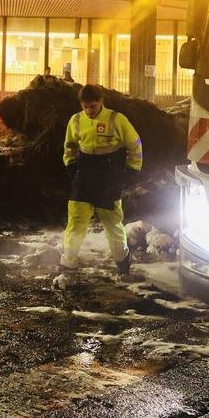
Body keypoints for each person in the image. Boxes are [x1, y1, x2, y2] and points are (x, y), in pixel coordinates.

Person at [57, 84, 143, 287]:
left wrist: (132, 171)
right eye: (85, 107)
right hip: (84, 176)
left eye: (92, 106)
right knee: (76, 221)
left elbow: (135, 145)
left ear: (101, 101)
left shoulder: (117, 120)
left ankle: (123, 264)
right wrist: (71, 167)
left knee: (112, 224)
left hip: (108, 178)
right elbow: (70, 146)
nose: (89, 111)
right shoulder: (76, 120)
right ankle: (68, 265)